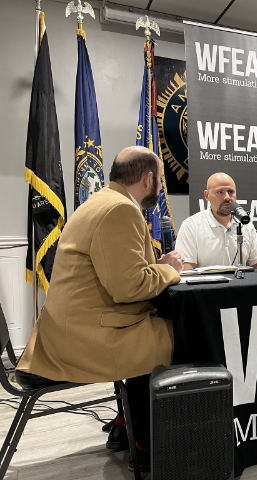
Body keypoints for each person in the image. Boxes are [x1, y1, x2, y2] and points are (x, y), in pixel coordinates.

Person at [16, 146, 183, 472]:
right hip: (83, 339)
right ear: (148, 179)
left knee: (156, 328)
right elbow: (129, 288)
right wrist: (170, 269)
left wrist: (156, 268)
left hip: (70, 329)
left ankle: (127, 422)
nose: (160, 187)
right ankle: (148, 444)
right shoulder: (120, 210)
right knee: (183, 337)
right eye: (161, 180)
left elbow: (122, 275)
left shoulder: (101, 202)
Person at [175, 172, 257, 269]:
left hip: (240, 285)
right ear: (207, 195)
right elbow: (187, 271)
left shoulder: (245, 224)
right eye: (220, 192)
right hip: (207, 285)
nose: (227, 197)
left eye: (231, 192)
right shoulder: (191, 226)